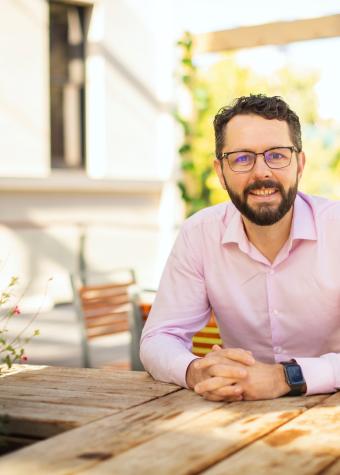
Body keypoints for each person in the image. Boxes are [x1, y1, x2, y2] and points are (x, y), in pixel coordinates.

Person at [140, 94, 340, 402]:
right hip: (239, 412)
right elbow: (158, 338)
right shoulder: (200, 233)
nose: (261, 173)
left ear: (300, 164)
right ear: (220, 172)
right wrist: (195, 370)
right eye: (242, 158)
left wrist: (285, 377)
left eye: (277, 155)